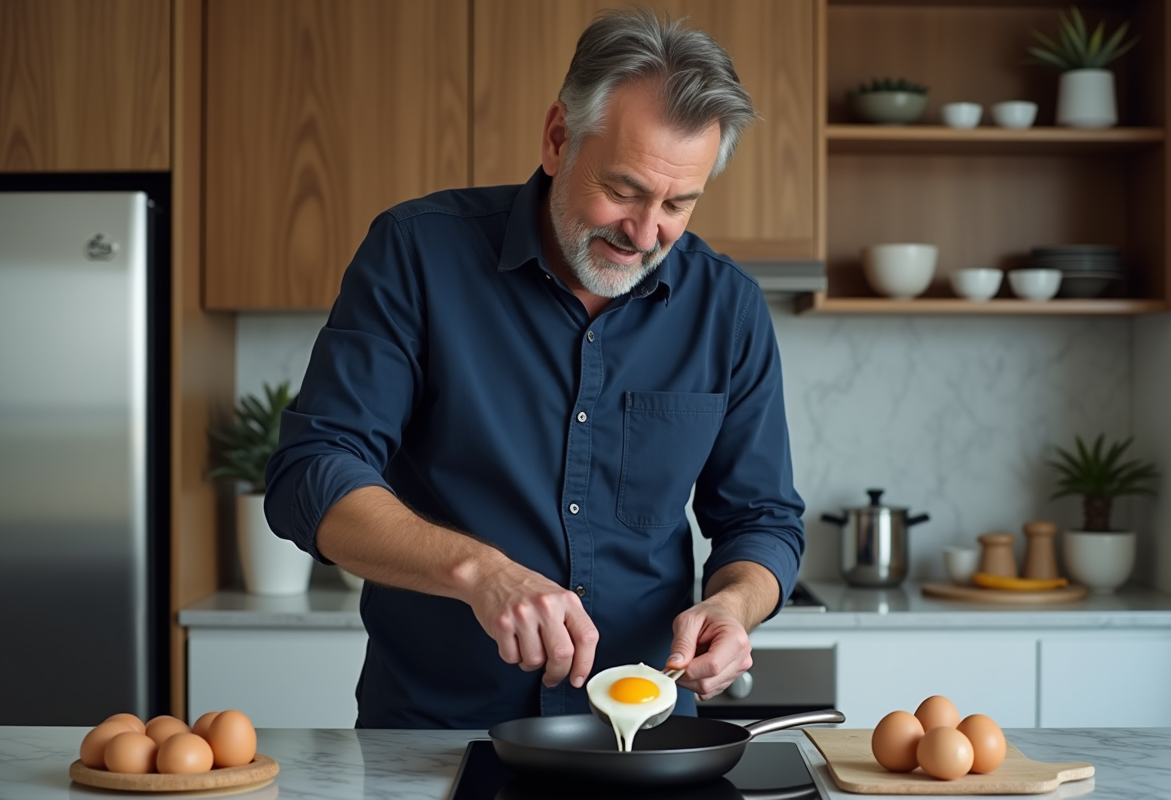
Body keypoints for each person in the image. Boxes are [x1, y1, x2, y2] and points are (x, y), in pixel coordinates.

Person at [264, 7, 805, 729]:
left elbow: (763, 519)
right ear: (558, 138)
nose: (646, 234)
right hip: (438, 734)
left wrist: (734, 604)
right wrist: (480, 574)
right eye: (624, 190)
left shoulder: (727, 306)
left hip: (646, 740)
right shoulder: (416, 255)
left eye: (678, 203)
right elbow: (312, 471)